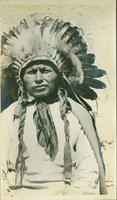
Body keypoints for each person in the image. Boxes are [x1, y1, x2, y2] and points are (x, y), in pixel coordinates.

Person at [1, 14, 107, 195]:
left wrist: (75, 195)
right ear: (22, 80)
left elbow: (88, 165)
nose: (39, 78)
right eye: (32, 72)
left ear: (58, 76)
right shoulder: (10, 115)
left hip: (65, 194)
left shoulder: (75, 113)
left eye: (45, 70)